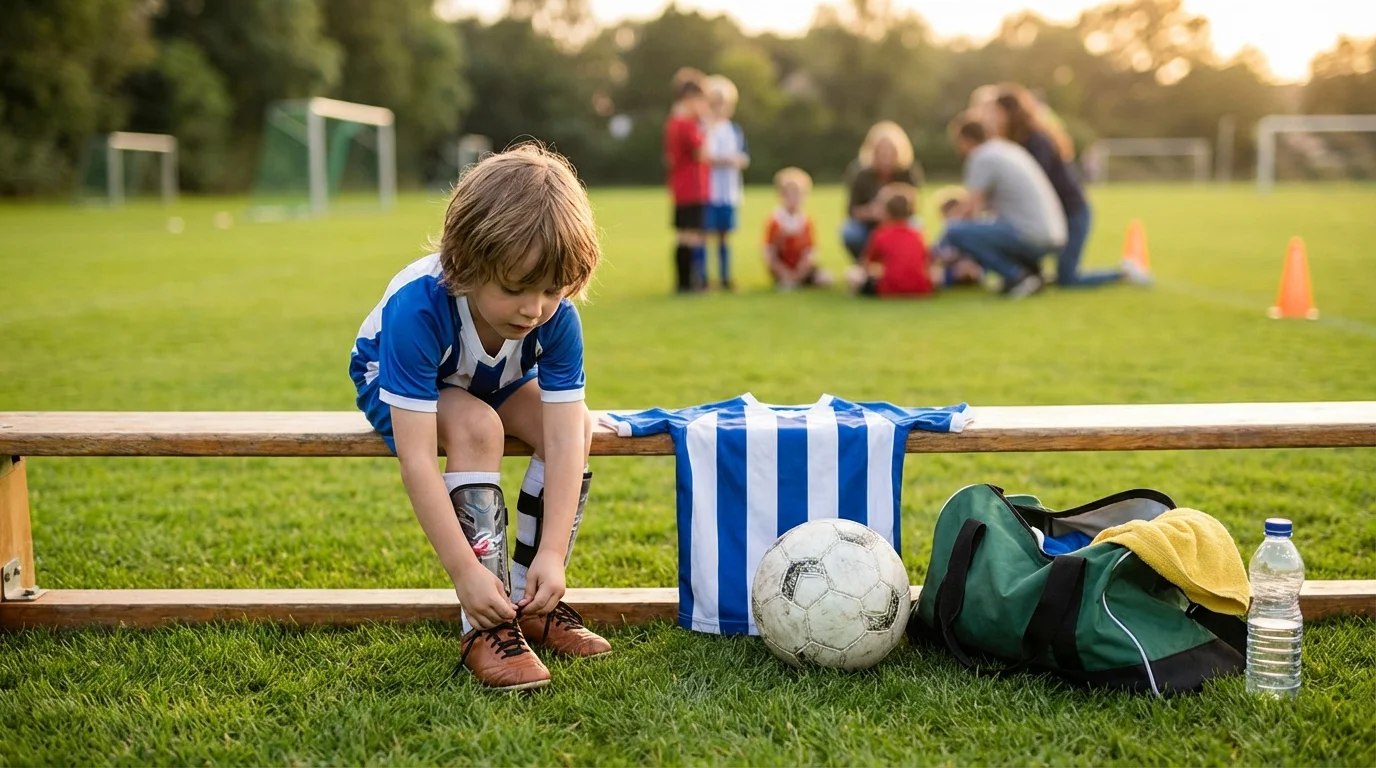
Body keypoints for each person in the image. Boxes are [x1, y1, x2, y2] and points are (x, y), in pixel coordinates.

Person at [348, 145, 608, 692]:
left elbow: (563, 443)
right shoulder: (417, 308)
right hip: (397, 378)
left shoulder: (555, 318)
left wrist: (555, 555)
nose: (533, 309)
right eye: (514, 288)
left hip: (494, 377)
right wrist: (464, 574)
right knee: (477, 427)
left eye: (551, 291)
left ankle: (532, 600)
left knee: (578, 425)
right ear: (468, 265)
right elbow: (417, 459)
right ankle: (483, 622)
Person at [993, 85, 1148, 287]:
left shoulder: (1035, 140)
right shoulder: (1017, 142)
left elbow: (1037, 184)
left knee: (1068, 278)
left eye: (994, 112)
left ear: (1008, 112)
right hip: (1052, 214)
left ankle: (1126, 272)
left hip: (1072, 212)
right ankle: (1029, 276)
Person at [940, 114, 1066, 299]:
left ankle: (1016, 276)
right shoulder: (1008, 149)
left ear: (965, 140)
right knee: (987, 229)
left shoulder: (982, 157)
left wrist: (941, 244)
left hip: (1029, 234)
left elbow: (970, 210)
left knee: (956, 231)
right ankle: (1032, 273)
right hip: (1054, 233)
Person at [841, 121, 924, 261]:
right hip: (868, 225)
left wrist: (891, 215)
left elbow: (914, 207)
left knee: (916, 224)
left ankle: (901, 262)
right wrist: (873, 212)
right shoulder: (861, 175)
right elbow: (851, 210)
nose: (886, 155)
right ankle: (865, 264)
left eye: (890, 150)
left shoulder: (908, 173)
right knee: (850, 231)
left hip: (898, 224)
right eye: (881, 150)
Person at [663, 67, 711, 292]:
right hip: (692, 186)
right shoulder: (687, 123)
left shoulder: (673, 121)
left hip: (680, 185)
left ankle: (684, 283)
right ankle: (688, 283)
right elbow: (702, 152)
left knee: (684, 233)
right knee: (691, 235)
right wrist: (706, 127)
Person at [703, 75, 750, 291]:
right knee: (704, 234)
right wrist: (722, 160)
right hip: (709, 190)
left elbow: (744, 156)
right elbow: (704, 156)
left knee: (724, 235)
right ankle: (702, 277)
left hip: (728, 190)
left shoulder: (734, 129)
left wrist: (737, 160)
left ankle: (724, 276)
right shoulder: (704, 128)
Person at [847, 183, 934, 298]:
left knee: (853, 273)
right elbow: (928, 262)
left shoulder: (880, 234)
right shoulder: (918, 234)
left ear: (887, 212)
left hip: (888, 289)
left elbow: (867, 264)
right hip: (921, 288)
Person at [764, 167, 832, 290]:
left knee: (825, 278)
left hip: (802, 268)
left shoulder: (806, 221)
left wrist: (801, 271)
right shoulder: (776, 221)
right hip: (783, 268)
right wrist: (783, 271)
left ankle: (800, 280)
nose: (795, 199)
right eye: (791, 195)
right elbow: (770, 253)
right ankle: (788, 280)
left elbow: (810, 252)